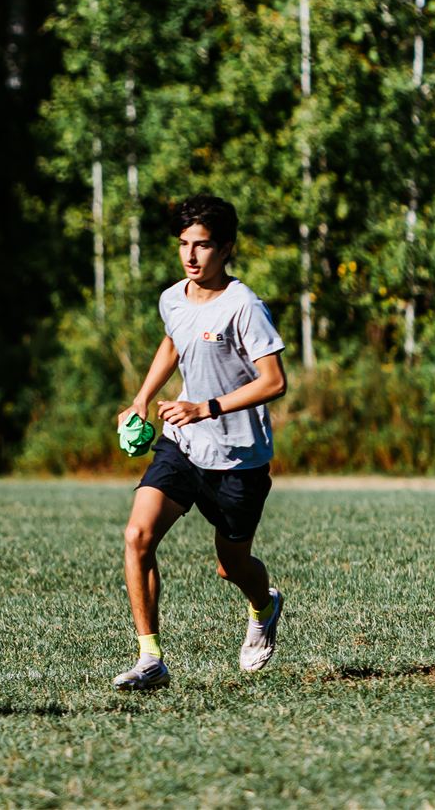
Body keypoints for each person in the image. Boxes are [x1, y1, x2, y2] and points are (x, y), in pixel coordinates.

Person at [110, 194, 288, 691]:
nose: (191, 255)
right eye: (184, 244)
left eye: (203, 245)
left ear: (225, 248)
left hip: (238, 458)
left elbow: (274, 381)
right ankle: (150, 659)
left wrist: (205, 407)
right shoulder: (172, 297)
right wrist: (142, 398)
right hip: (183, 445)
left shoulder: (244, 306)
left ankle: (264, 605)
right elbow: (174, 340)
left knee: (231, 566)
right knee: (137, 536)